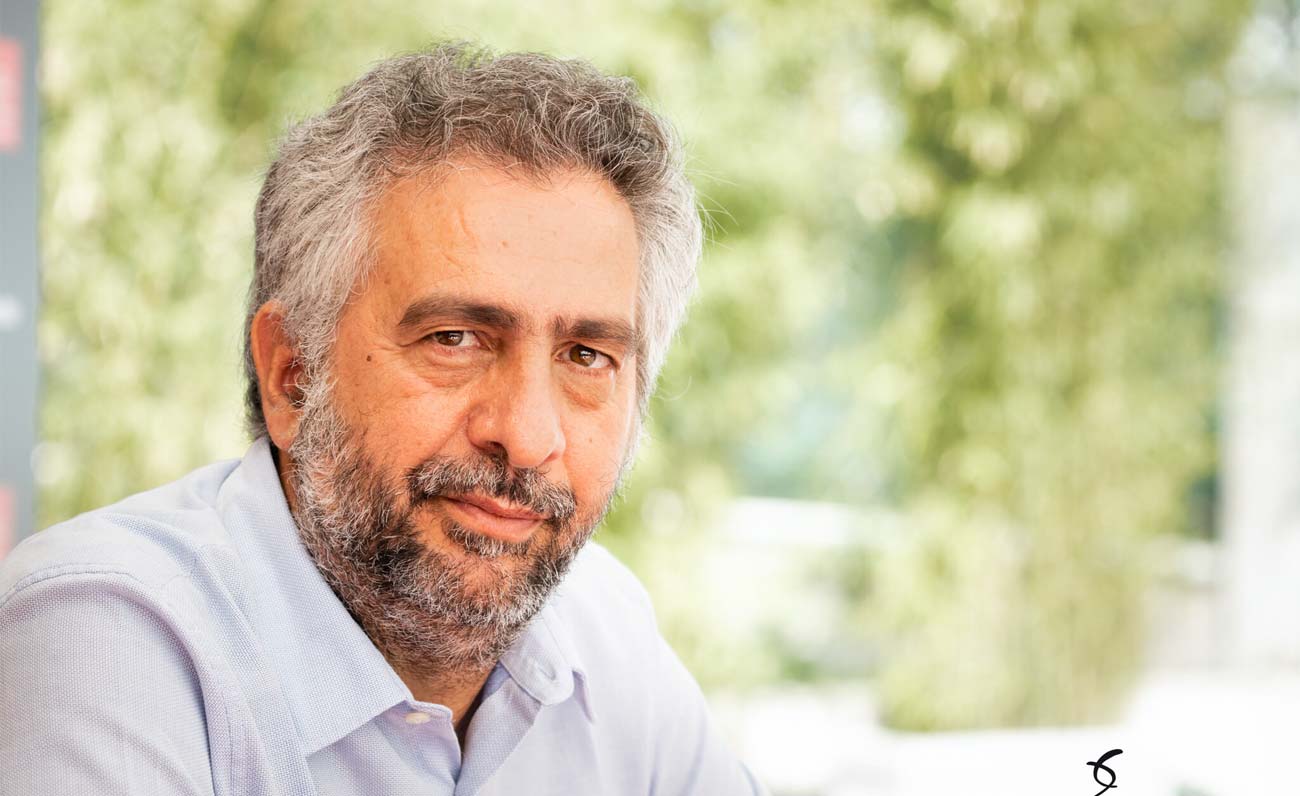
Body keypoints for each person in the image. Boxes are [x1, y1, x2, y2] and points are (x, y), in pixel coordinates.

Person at [0, 44, 765, 795]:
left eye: (587, 356)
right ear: (293, 375)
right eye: (454, 339)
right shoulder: (108, 631)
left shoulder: (606, 631)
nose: (529, 437)